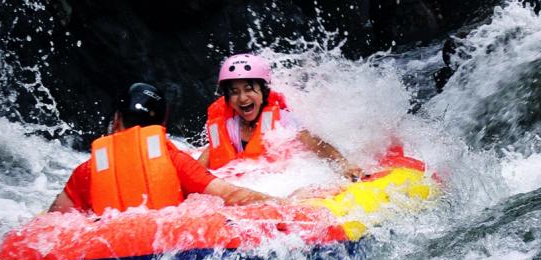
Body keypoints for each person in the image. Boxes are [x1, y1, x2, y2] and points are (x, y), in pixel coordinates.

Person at [49, 82, 275, 214]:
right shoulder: (176, 162)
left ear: (116, 120)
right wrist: (282, 203)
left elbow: (54, 218)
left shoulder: (86, 171)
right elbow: (232, 195)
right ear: (161, 128)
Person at [197, 53, 361, 180]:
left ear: (263, 92)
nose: (242, 98)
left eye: (248, 89)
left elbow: (316, 144)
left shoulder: (283, 120)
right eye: (234, 92)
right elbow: (204, 162)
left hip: (285, 178)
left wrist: (343, 164)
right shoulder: (228, 125)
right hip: (250, 186)